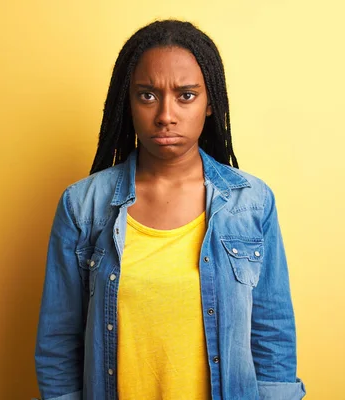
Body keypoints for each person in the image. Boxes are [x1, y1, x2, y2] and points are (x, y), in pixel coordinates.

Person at [35, 19, 306, 400]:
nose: (165, 114)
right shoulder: (83, 206)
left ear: (210, 103)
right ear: (127, 103)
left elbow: (272, 333)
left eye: (186, 95)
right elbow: (59, 342)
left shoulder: (252, 203)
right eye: (147, 95)